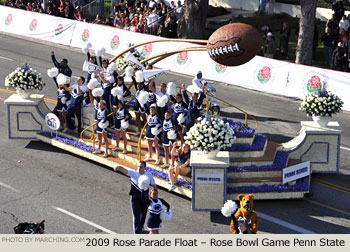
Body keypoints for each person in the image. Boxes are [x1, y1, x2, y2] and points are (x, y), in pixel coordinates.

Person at [113, 161, 157, 234]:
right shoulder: (133, 173)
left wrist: (155, 195)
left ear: (145, 168)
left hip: (144, 199)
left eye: (141, 167)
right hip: (135, 199)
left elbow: (154, 185)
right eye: (138, 166)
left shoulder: (148, 175)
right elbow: (124, 170)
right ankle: (136, 233)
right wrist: (118, 167)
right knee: (136, 217)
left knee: (143, 216)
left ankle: (140, 229)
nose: (139, 168)